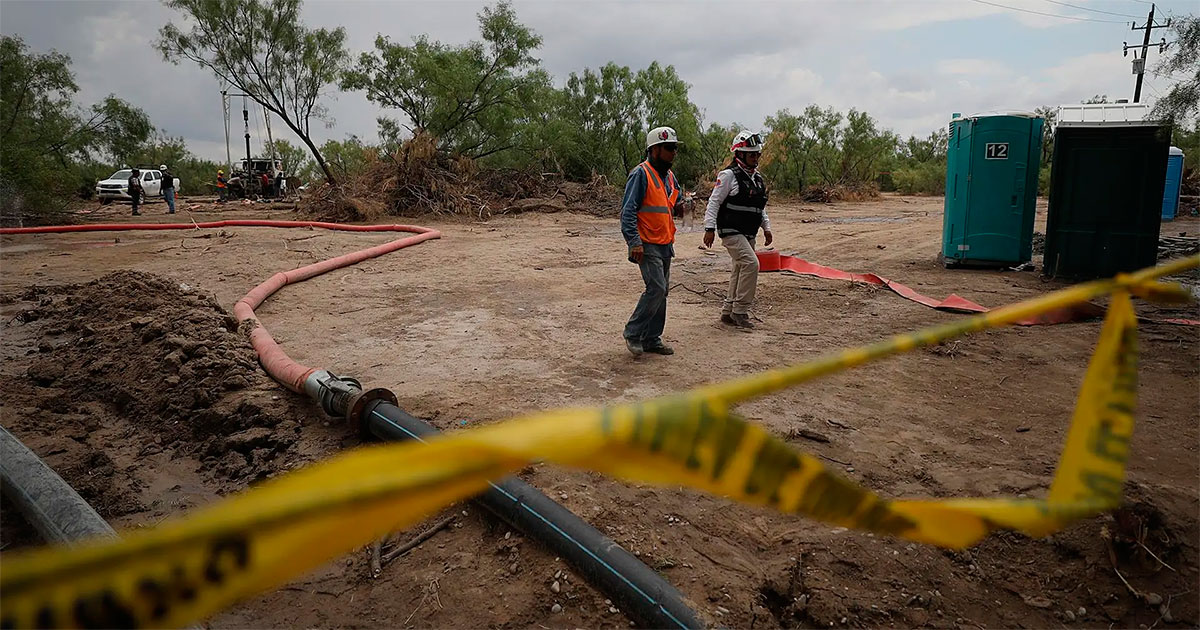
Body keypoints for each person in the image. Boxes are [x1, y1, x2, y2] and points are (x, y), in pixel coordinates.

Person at [621, 126, 687, 357]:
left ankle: (651, 338)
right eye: (669, 148)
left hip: (665, 241)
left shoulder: (670, 177)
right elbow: (628, 212)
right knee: (656, 288)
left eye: (675, 149)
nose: (673, 153)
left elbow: (673, 204)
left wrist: (683, 207)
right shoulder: (641, 174)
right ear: (655, 150)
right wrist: (633, 241)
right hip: (646, 242)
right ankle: (633, 332)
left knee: (662, 290)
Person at [703, 130, 773, 329]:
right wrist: (709, 228)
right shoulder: (728, 176)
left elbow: (761, 207)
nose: (756, 158)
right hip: (731, 231)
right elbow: (714, 202)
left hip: (749, 232)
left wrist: (766, 228)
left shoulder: (757, 178)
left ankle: (728, 312)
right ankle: (741, 311)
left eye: (757, 154)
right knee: (751, 264)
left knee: (740, 268)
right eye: (752, 154)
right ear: (740, 154)